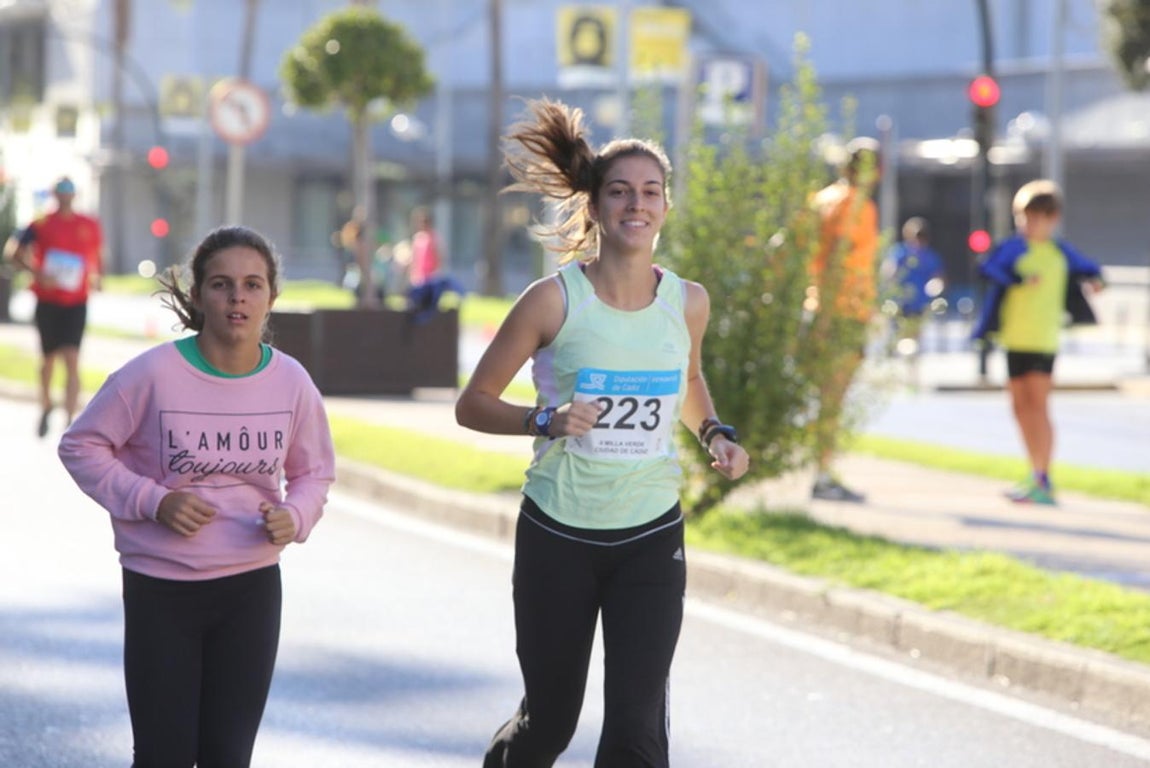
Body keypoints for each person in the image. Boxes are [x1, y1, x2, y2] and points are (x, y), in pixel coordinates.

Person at [456, 98, 749, 767]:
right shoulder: (553, 300)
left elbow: (689, 382)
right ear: (594, 206)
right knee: (550, 723)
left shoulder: (687, 302)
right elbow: (472, 404)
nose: (635, 204)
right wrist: (544, 420)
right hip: (559, 534)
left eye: (650, 192)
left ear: (666, 208)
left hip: (650, 534)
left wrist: (715, 436)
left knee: (637, 734)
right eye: (619, 192)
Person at [57, 225, 336, 767]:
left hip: (251, 588)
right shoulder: (152, 374)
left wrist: (296, 515)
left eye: (253, 285)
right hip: (162, 589)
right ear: (197, 295)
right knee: (164, 755)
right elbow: (82, 446)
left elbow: (315, 472)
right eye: (222, 284)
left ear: (271, 297)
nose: (238, 298)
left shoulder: (292, 383)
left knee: (226, 757)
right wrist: (153, 500)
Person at [972, 179, 1103, 505]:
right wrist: (1017, 278)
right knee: (1019, 406)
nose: (1029, 224)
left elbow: (1090, 269)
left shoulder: (1060, 251)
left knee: (1039, 405)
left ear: (1052, 218)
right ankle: (1034, 472)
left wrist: (1097, 281)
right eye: (1025, 218)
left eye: (1037, 217)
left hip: (1043, 340)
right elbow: (989, 268)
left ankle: (1044, 478)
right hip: (1014, 337)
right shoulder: (1014, 248)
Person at [807, 138, 881, 503]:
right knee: (833, 398)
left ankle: (823, 471)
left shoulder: (823, 199)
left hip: (824, 306)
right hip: (843, 312)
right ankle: (823, 475)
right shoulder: (857, 206)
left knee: (827, 398)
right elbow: (838, 257)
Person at [13, 177, 104, 437]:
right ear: (55, 194)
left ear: (75, 195)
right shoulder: (40, 223)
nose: (65, 195)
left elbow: (97, 255)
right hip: (48, 300)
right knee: (48, 359)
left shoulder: (88, 224)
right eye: (61, 191)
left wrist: (99, 279)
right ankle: (45, 404)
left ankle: (70, 418)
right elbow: (14, 252)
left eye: (69, 191)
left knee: (73, 358)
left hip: (76, 301)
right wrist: (37, 273)